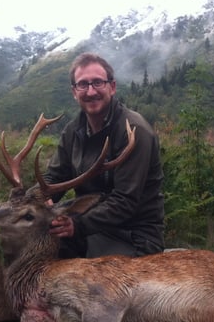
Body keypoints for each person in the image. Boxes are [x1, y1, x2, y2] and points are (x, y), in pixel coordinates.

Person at [43, 52, 165, 258]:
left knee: (89, 286)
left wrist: (77, 225)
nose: (90, 92)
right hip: (87, 227)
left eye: (98, 83)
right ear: (74, 91)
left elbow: (125, 201)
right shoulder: (73, 131)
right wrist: (37, 197)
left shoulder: (134, 131)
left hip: (134, 235)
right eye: (83, 85)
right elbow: (53, 178)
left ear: (112, 87)